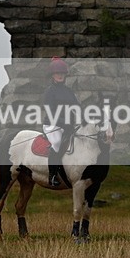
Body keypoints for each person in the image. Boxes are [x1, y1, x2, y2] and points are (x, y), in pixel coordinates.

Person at [42, 57, 81, 186]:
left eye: (62, 73)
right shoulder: (49, 92)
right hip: (52, 125)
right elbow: (50, 111)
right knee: (57, 143)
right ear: (52, 75)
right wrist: (63, 122)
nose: (60, 75)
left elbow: (76, 107)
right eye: (57, 73)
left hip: (69, 125)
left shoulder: (69, 91)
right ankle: (52, 176)